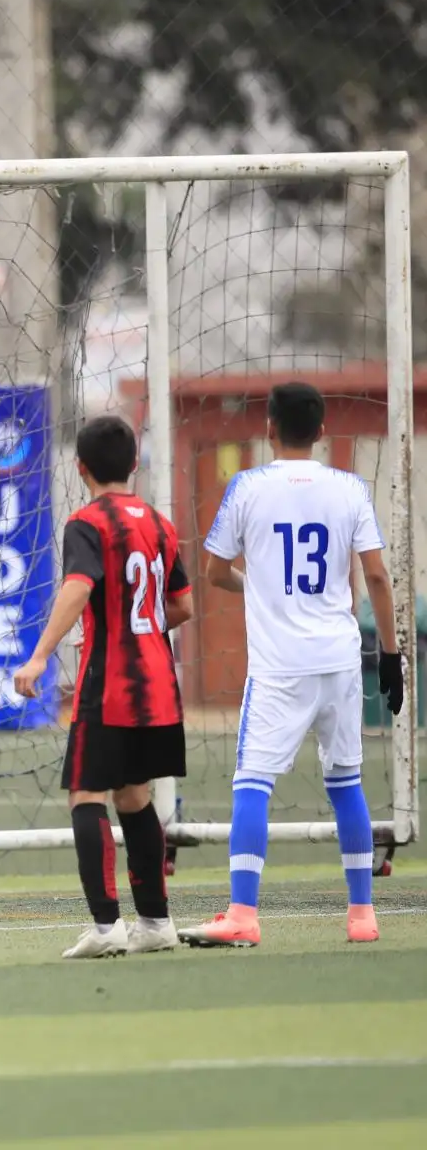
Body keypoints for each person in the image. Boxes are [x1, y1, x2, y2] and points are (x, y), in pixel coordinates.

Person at [180, 382, 401, 949]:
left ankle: (242, 913)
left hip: (279, 667)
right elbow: (377, 576)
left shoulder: (247, 487)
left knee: (252, 783)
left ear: (270, 428)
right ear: (322, 431)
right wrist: (392, 654)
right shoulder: (350, 488)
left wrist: (257, 585)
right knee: (346, 782)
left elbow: (213, 571)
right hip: (340, 660)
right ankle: (362, 915)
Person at [13, 416, 194, 959]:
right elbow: (182, 605)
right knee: (135, 795)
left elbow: (77, 585)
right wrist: (133, 625)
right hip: (159, 685)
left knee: (86, 793)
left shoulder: (86, 522)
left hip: (111, 684)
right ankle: (156, 923)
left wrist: (39, 656)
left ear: (80, 468)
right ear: (134, 464)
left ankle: (106, 925)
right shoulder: (160, 524)